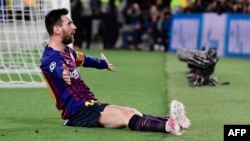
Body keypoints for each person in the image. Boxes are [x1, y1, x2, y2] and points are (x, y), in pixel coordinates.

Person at [40, 8, 191, 136]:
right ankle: (169, 127)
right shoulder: (49, 58)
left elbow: (85, 60)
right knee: (126, 116)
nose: (74, 27)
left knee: (133, 111)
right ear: (57, 29)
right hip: (78, 113)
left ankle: (172, 120)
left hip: (90, 105)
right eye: (69, 23)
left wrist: (102, 64)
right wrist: (62, 73)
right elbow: (56, 67)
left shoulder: (69, 52)